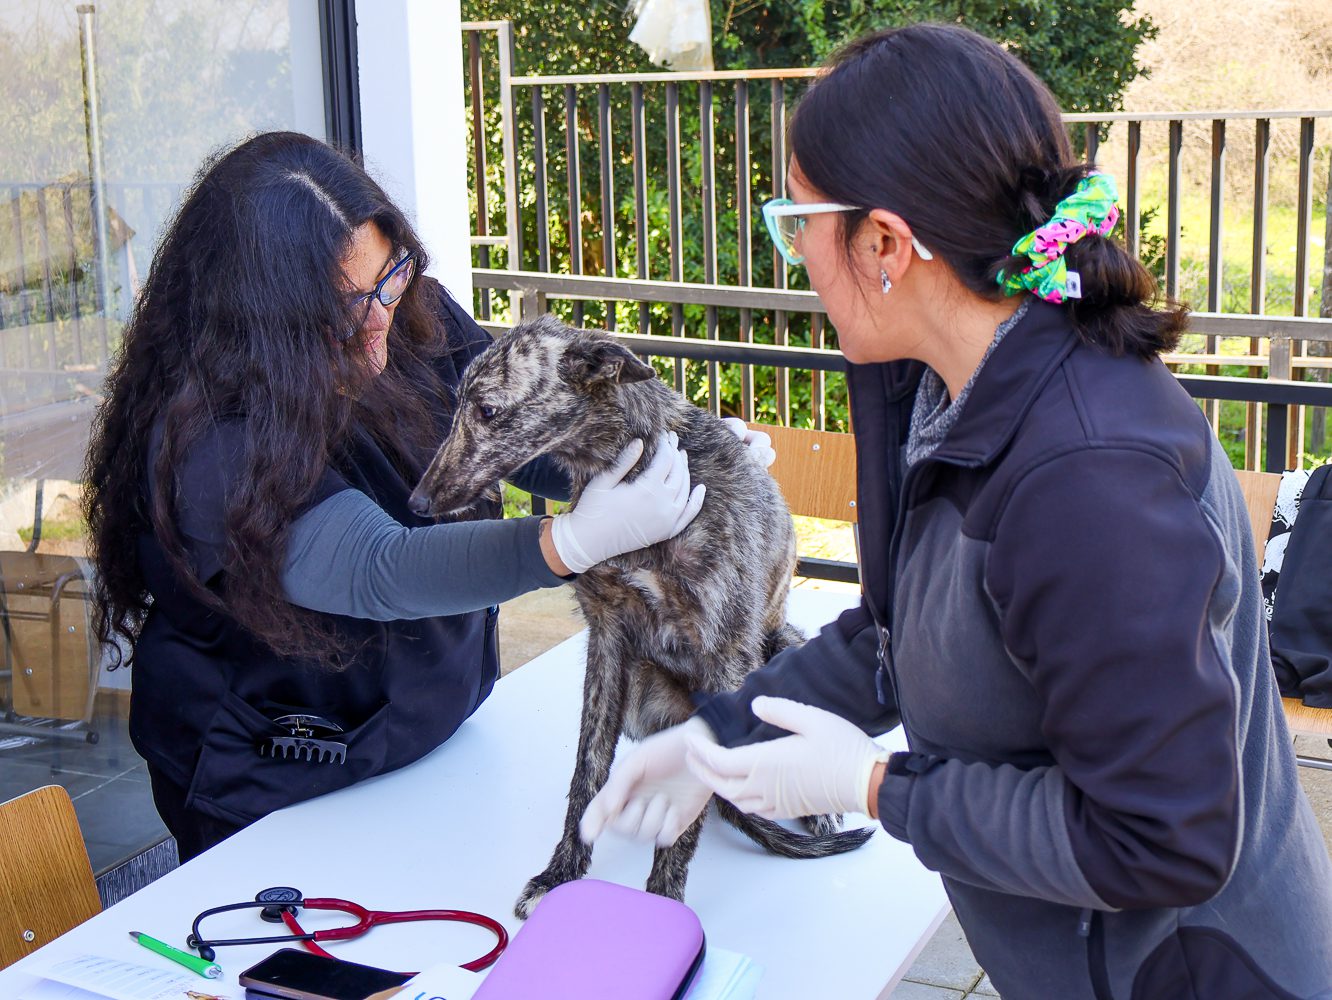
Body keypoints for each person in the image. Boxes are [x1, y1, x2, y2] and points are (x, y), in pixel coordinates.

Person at [580, 24, 1332, 999]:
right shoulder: (943, 387)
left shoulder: (1092, 479)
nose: (795, 253)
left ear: (886, 242)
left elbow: (1161, 838)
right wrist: (723, 732)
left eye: (797, 221)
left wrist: (878, 788)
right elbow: (909, 631)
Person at [82, 131, 770, 862]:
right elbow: (377, 568)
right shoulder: (209, 438)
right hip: (281, 786)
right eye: (344, 310)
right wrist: (567, 544)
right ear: (264, 322)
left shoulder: (411, 314)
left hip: (427, 745)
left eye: (391, 276)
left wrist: (680, 447)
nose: (380, 320)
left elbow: (524, 428)